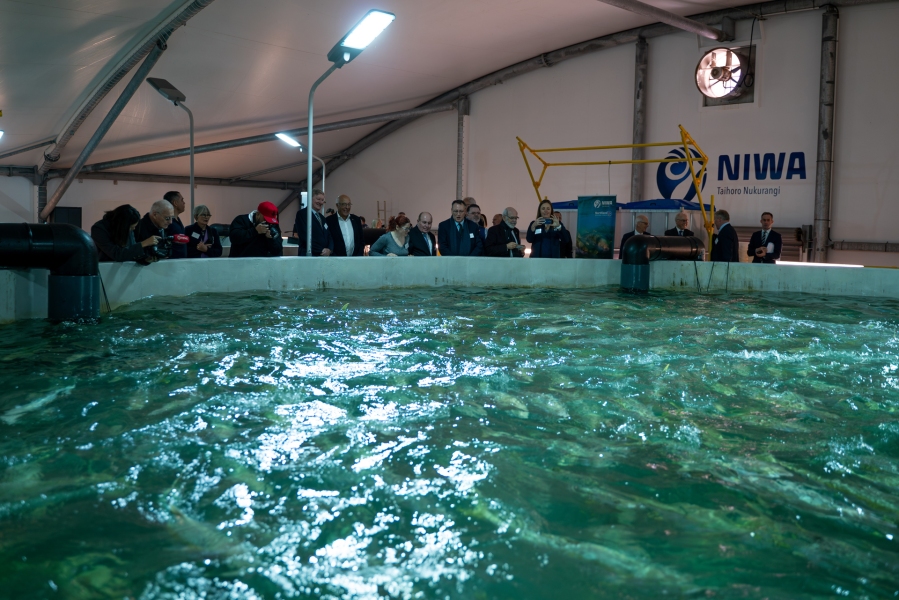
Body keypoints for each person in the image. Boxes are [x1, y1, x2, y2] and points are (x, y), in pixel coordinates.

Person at [91, 204, 158, 263]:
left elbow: (130, 251)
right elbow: (116, 254)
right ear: (123, 225)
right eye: (131, 227)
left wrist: (145, 259)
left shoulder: (125, 227)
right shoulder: (99, 229)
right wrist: (143, 244)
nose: (133, 229)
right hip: (104, 271)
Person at [292, 188, 333, 256]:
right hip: (309, 255)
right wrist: (321, 250)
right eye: (318, 199)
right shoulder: (302, 214)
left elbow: (329, 236)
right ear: (310, 199)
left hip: (323, 257)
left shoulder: (322, 218)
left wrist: (329, 249)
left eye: (322, 200)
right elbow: (304, 236)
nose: (320, 202)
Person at [163, 191, 187, 259]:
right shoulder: (167, 222)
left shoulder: (178, 220)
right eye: (182, 200)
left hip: (181, 261)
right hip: (171, 262)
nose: (184, 202)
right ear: (175, 203)